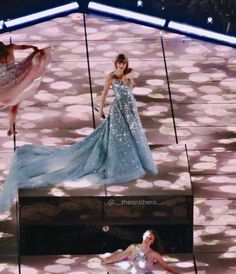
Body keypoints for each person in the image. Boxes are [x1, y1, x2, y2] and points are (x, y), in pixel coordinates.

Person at [0, 53, 157, 213]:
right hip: (118, 109)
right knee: (116, 135)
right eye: (119, 63)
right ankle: (116, 161)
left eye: (123, 63)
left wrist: (125, 77)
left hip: (130, 108)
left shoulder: (129, 73)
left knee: (131, 134)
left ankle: (132, 157)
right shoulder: (111, 77)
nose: (122, 65)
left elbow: (130, 82)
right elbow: (103, 95)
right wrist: (101, 111)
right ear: (116, 63)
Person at [0, 41, 52, 136]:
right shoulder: (10, 47)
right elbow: (22, 47)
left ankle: (10, 128)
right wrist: (32, 47)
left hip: (2, 83)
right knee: (16, 103)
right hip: (15, 80)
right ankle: (10, 127)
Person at [102, 230, 180, 274]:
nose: (148, 239)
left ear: (152, 241)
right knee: (118, 259)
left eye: (150, 238)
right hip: (133, 272)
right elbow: (120, 257)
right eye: (147, 237)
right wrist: (107, 261)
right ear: (143, 236)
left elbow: (166, 267)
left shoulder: (154, 254)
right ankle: (116, 252)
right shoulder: (133, 247)